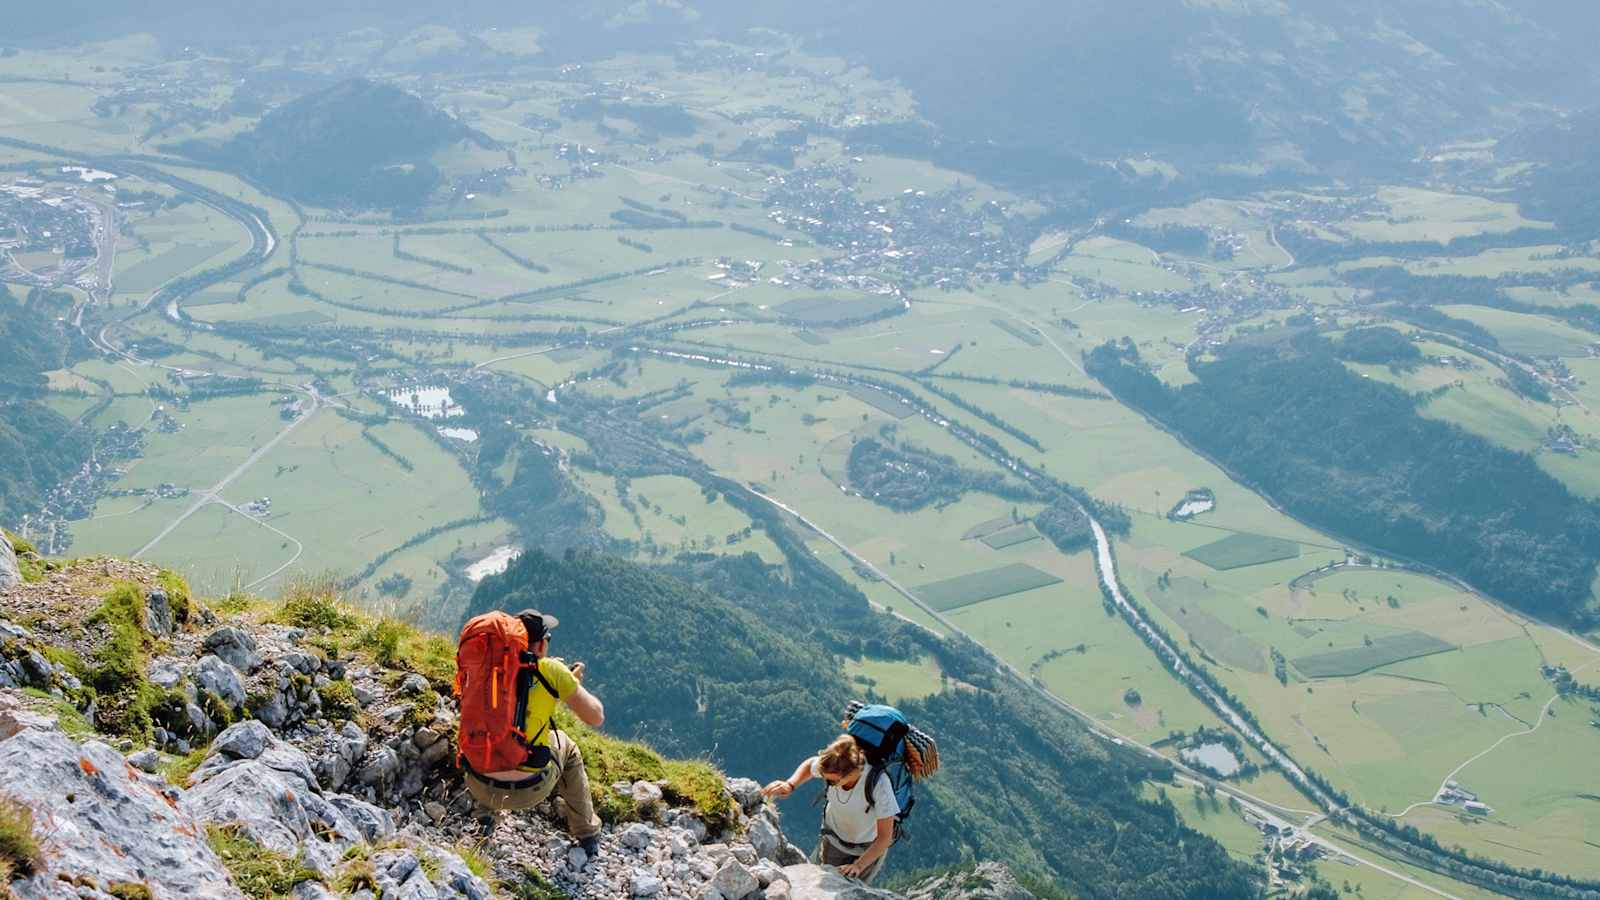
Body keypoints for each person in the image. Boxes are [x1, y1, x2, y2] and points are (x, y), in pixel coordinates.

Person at [461, 609, 607, 856]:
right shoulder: (551, 671)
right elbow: (595, 716)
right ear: (540, 645)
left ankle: (484, 820)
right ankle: (587, 833)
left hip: (479, 783)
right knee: (568, 747)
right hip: (529, 791)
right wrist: (569, 683)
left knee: (489, 737)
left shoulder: (486, 670)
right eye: (547, 639)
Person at [761, 735, 898, 882]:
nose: (828, 782)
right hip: (834, 838)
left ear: (852, 773)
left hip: (867, 848)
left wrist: (858, 866)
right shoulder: (833, 766)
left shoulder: (879, 784)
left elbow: (884, 838)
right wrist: (790, 784)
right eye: (825, 778)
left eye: (832, 781)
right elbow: (810, 765)